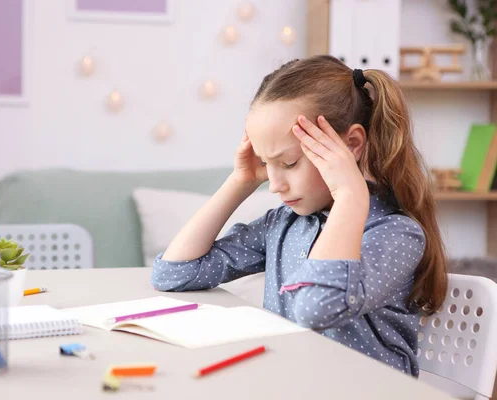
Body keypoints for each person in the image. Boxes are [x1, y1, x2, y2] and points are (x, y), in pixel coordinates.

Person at [151, 55, 448, 376]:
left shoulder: (396, 233)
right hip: (293, 383)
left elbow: (315, 308)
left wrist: (349, 196)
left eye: (289, 163)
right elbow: (173, 274)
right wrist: (239, 182)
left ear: (351, 145)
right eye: (267, 163)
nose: (275, 185)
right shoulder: (283, 223)